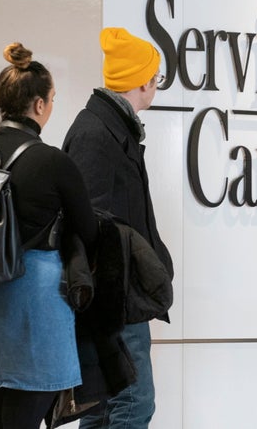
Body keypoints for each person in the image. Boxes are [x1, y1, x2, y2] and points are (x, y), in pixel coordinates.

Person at [0, 43, 98, 429]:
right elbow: (88, 229)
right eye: (52, 99)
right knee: (24, 417)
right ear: (38, 105)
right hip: (32, 300)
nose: (52, 106)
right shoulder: (53, 161)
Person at [63, 27, 174, 428]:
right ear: (142, 82)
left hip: (117, 300)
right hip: (114, 304)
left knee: (104, 408)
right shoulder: (97, 134)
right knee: (132, 405)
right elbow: (88, 224)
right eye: (156, 77)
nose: (156, 85)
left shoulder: (110, 128)